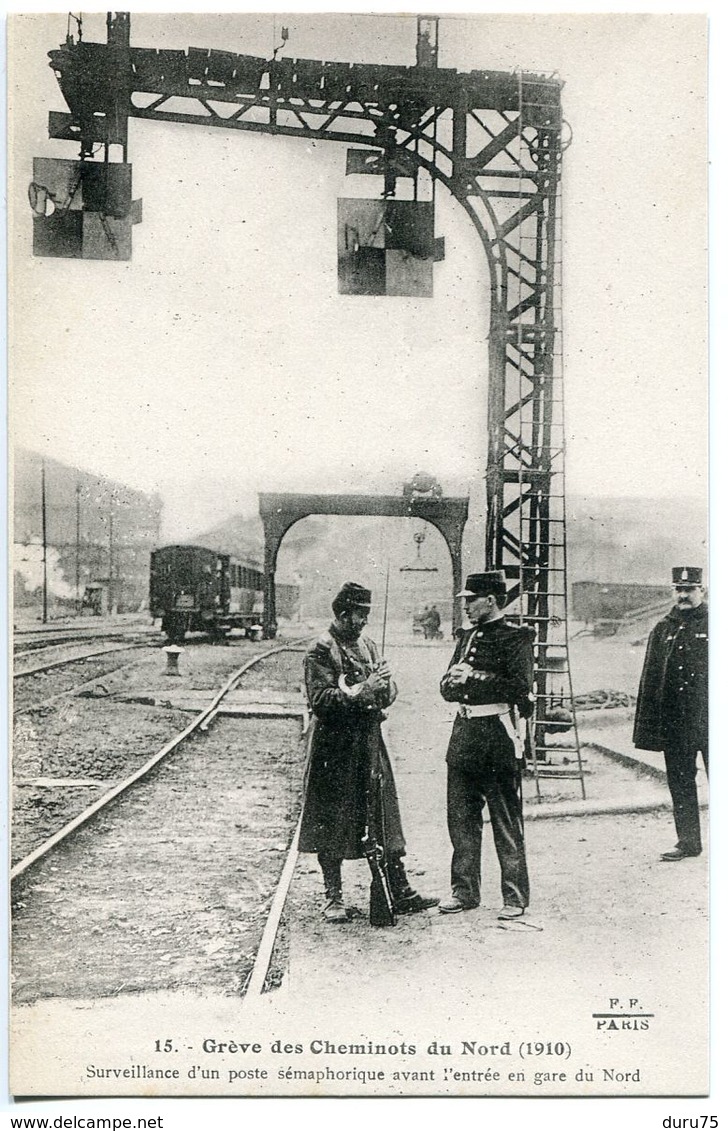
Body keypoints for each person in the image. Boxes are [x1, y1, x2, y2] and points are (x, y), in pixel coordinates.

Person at [299, 581, 439, 923]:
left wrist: (387, 686)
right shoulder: (321, 650)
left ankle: (399, 890)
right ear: (344, 614)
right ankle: (333, 897)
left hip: (369, 742)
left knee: (384, 815)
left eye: (366, 615)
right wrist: (364, 689)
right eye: (359, 615)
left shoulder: (369, 645)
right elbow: (320, 702)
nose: (363, 622)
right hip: (334, 747)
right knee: (332, 818)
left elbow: (386, 695)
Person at [438, 571, 534, 919]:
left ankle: (514, 896)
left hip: (496, 736)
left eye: (471, 599)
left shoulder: (516, 637)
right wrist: (453, 681)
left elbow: (520, 688)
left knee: (505, 820)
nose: (465, 605)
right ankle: (464, 891)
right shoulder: (465, 637)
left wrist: (474, 677)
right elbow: (446, 687)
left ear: (490, 600)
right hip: (464, 736)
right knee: (461, 821)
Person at [633, 566, 708, 861]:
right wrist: (650, 728)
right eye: (678, 589)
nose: (683, 595)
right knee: (680, 781)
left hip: (712, 720)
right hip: (677, 724)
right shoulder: (663, 628)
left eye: (689, 589)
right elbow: (650, 679)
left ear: (701, 590)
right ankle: (688, 842)